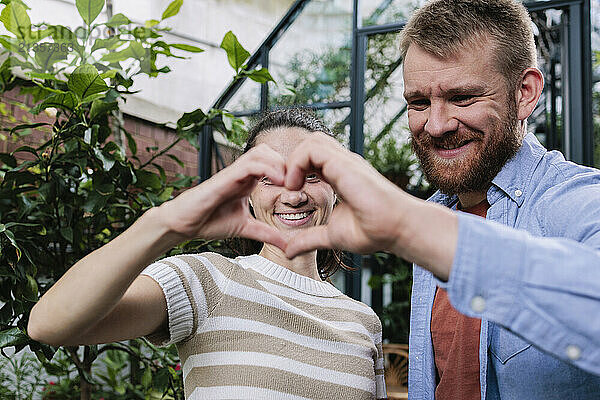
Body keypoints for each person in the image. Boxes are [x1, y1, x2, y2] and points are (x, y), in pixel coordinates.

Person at [278, 0, 600, 399]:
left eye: (463, 98)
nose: (436, 125)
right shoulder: (435, 215)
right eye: (418, 103)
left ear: (525, 92)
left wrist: (405, 223)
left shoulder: (575, 200)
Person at [27, 109, 387, 400]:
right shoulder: (206, 281)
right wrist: (166, 222)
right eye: (269, 178)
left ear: (336, 188)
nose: (292, 195)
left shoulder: (363, 322)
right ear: (246, 193)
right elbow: (48, 325)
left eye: (311, 176)